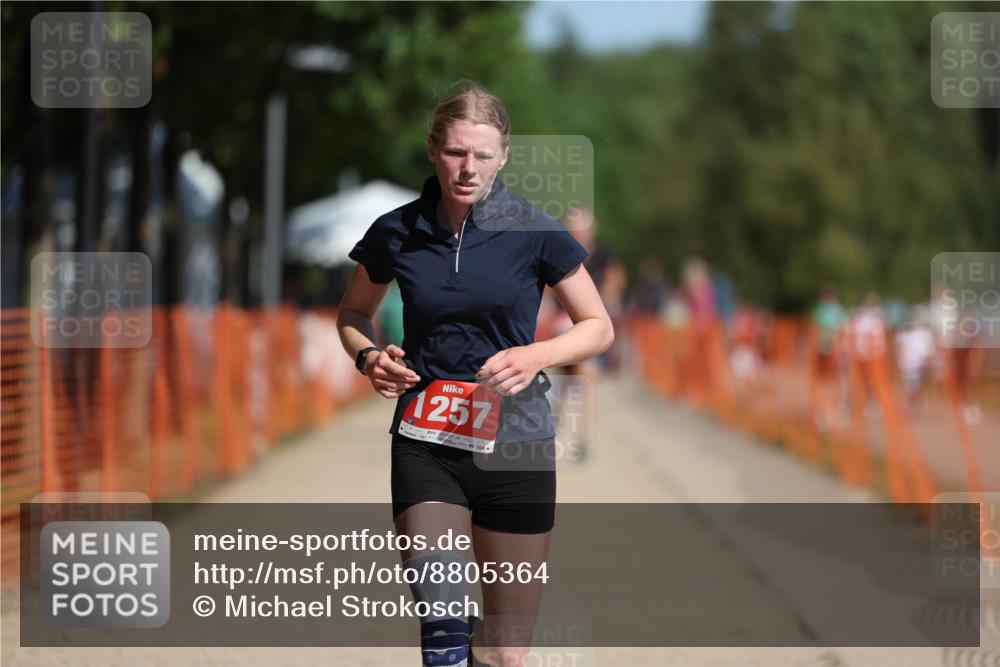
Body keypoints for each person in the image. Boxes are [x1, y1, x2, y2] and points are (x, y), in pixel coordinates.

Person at [336, 85, 614, 667]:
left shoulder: (534, 231)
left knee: (506, 654)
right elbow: (353, 313)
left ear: (504, 156)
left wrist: (535, 356)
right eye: (457, 153)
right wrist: (369, 359)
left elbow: (597, 326)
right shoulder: (397, 231)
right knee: (442, 630)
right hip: (426, 442)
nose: (469, 169)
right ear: (434, 148)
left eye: (483, 156)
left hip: (517, 445)